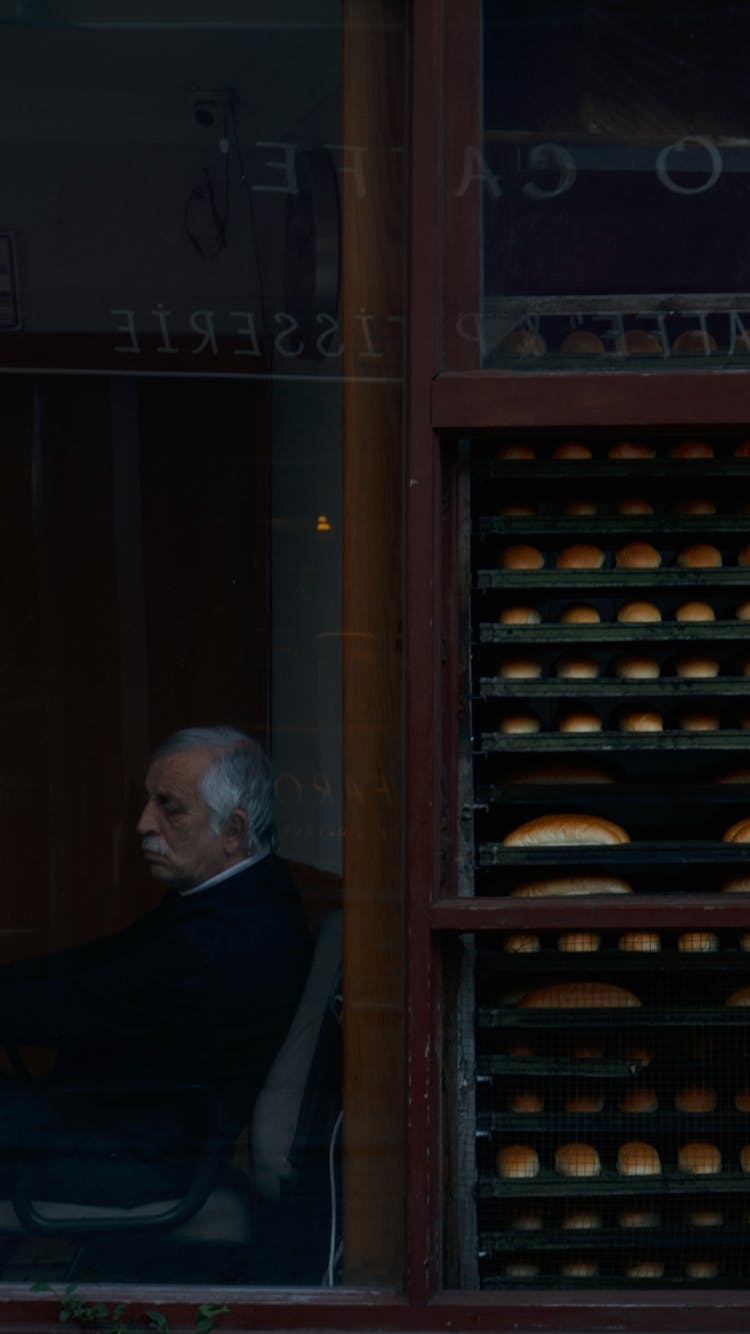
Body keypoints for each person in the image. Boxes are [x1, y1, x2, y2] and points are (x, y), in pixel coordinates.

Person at [0, 725, 312, 1210]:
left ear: (233, 830)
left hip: (138, 1156)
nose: (144, 823)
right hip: (124, 1126)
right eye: (149, 801)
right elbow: (101, 962)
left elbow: (74, 1003)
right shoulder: (236, 897)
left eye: (169, 807)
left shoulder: (224, 935)